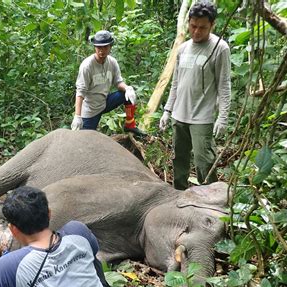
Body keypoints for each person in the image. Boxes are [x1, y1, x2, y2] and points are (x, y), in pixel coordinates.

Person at [0, 186, 118, 287]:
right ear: (49, 213)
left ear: (13, 230)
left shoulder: (9, 266)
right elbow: (94, 254)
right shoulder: (78, 231)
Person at [159, 0, 231, 190]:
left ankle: (209, 201)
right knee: (179, 160)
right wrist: (167, 110)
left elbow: (224, 84)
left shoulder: (219, 48)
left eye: (202, 28)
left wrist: (223, 118)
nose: (197, 32)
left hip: (202, 116)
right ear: (188, 23)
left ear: (212, 25)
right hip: (179, 115)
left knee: (204, 162)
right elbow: (176, 83)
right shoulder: (183, 49)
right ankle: (179, 196)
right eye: (193, 26)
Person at [71, 30, 146, 136]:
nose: (101, 51)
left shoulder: (112, 62)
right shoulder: (87, 66)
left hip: (104, 102)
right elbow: (80, 92)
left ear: (110, 47)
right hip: (90, 109)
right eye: (99, 47)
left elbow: (118, 82)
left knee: (125, 94)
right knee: (85, 139)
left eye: (105, 47)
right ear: (94, 47)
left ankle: (130, 125)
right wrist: (77, 116)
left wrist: (128, 88)